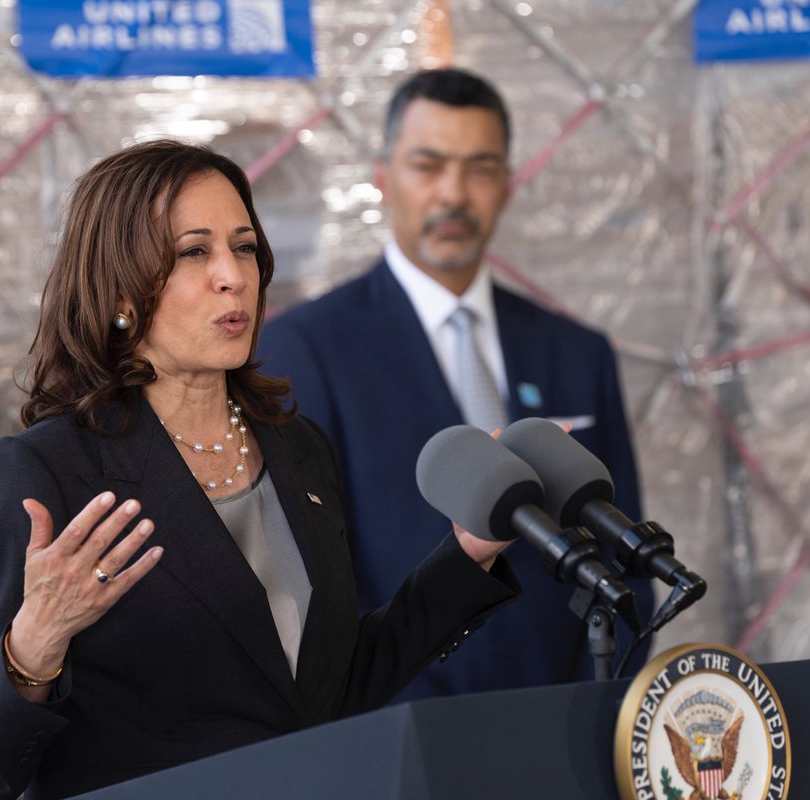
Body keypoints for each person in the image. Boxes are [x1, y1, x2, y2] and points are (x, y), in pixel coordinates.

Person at [0, 140, 520, 800]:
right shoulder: (41, 471)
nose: (233, 275)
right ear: (121, 288)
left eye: (244, 247)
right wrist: (33, 645)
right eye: (195, 251)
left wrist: (468, 553)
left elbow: (327, 693)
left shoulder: (297, 447)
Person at [258, 67, 655, 704]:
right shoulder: (305, 350)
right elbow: (303, 584)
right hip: (398, 732)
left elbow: (624, 555)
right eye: (428, 165)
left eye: (479, 168)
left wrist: (600, 711)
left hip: (569, 727)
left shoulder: (578, 352)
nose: (453, 193)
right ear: (382, 178)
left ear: (507, 183)